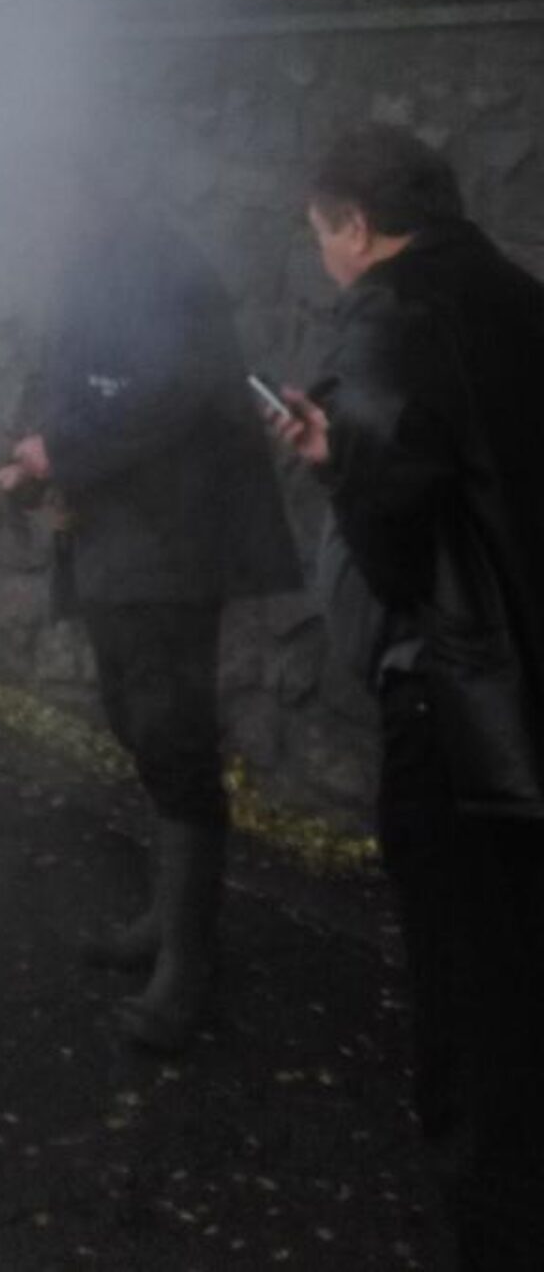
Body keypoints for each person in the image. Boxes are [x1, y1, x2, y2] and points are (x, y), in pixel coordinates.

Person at [269, 125, 544, 1268]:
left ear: (355, 223)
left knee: (470, 993)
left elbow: (390, 538)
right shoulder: (519, 296)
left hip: (464, 714)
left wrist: (329, 457)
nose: (325, 259)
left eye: (322, 235)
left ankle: (494, 1229)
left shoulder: (387, 315)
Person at [0, 174, 298, 1054]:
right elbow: (86, 389)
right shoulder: (88, 265)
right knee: (137, 720)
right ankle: (167, 918)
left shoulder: (166, 268)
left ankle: (188, 964)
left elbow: (171, 392)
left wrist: (61, 449)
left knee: (173, 733)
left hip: (172, 541)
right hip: (115, 539)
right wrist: (40, 464)